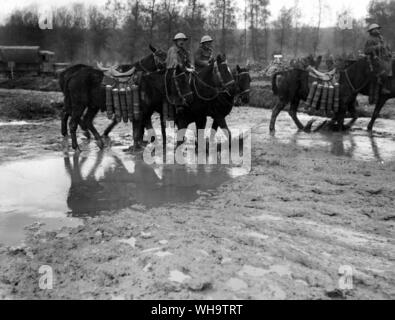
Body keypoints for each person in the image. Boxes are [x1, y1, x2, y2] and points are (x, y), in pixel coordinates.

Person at [364, 23, 392, 94]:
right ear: (372, 31)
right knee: (383, 72)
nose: (378, 30)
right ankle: (383, 88)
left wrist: (388, 52)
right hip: (374, 60)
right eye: (376, 29)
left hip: (383, 59)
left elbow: (385, 46)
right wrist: (377, 47)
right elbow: (366, 50)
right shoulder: (370, 39)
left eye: (378, 29)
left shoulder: (381, 37)